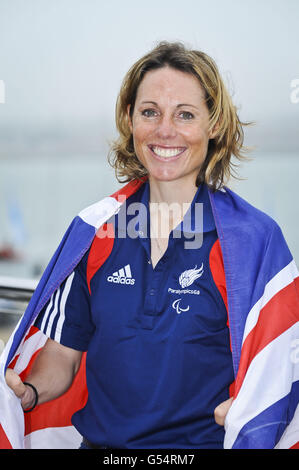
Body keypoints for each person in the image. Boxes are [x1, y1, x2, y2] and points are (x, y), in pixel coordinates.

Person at [3, 41, 299, 450]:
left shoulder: (255, 242)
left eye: (185, 114)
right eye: (150, 112)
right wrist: (30, 391)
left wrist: (254, 409)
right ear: (130, 120)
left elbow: (280, 367)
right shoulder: (95, 231)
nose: (165, 130)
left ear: (212, 125)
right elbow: (63, 356)